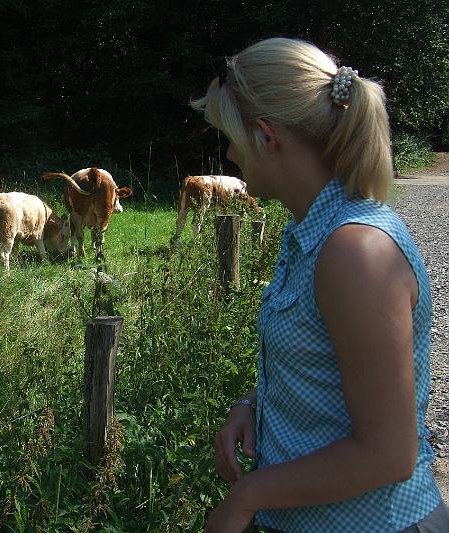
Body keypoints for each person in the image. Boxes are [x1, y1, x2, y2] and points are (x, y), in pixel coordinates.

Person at [192, 37, 449, 532]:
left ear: (266, 136)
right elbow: (327, 365)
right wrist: (251, 403)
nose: (229, 154)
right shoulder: (311, 233)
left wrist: (248, 495)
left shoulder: (355, 253)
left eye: (232, 137)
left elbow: (388, 453)